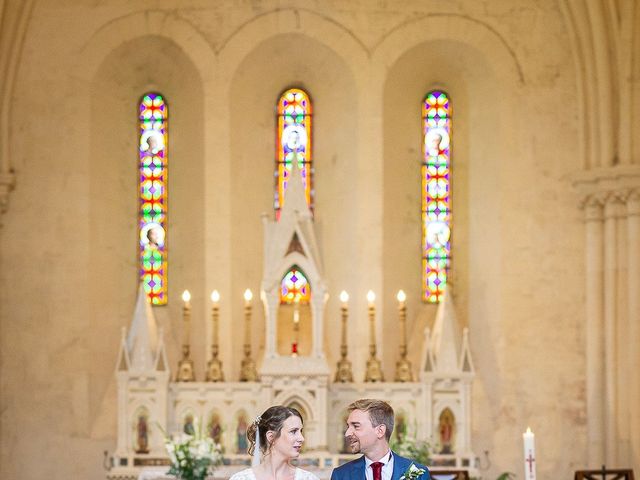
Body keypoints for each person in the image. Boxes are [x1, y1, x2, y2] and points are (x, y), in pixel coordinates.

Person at [331, 399, 430, 480]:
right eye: (348, 426)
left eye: (356, 426)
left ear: (380, 431)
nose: (347, 433)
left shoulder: (418, 473)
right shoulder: (341, 475)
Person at [230, 405, 319, 480]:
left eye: (301, 431)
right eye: (293, 431)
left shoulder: (308, 478)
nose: (302, 438)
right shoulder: (240, 478)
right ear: (271, 437)